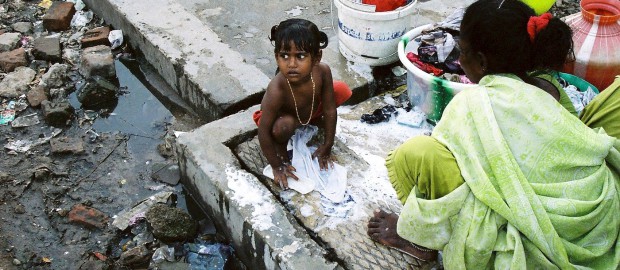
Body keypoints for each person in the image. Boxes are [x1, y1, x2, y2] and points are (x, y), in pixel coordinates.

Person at [367, 0, 620, 268]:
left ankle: (419, 239)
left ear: (482, 62)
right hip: (599, 220)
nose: (459, 60)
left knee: (416, 154)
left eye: (462, 53)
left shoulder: (473, 103)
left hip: (543, 236)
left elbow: (463, 170)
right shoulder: (551, 87)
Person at [254, 18, 352, 189]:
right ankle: (282, 147)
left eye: (300, 56)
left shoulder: (322, 71)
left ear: (316, 57)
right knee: (283, 127)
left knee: (341, 89)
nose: (291, 64)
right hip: (283, 118)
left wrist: (328, 144)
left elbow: (329, 109)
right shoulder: (277, 88)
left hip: (309, 110)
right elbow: (263, 132)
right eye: (284, 56)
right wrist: (277, 165)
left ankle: (310, 120)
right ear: (277, 57)